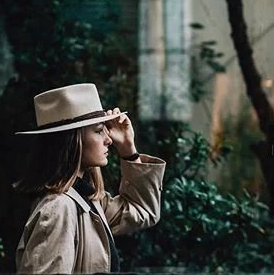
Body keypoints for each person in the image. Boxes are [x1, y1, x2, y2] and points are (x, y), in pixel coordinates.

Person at [13, 83, 165, 274]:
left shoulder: (87, 201)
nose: (109, 139)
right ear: (72, 140)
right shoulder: (59, 209)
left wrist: (129, 150)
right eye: (99, 130)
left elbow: (143, 211)